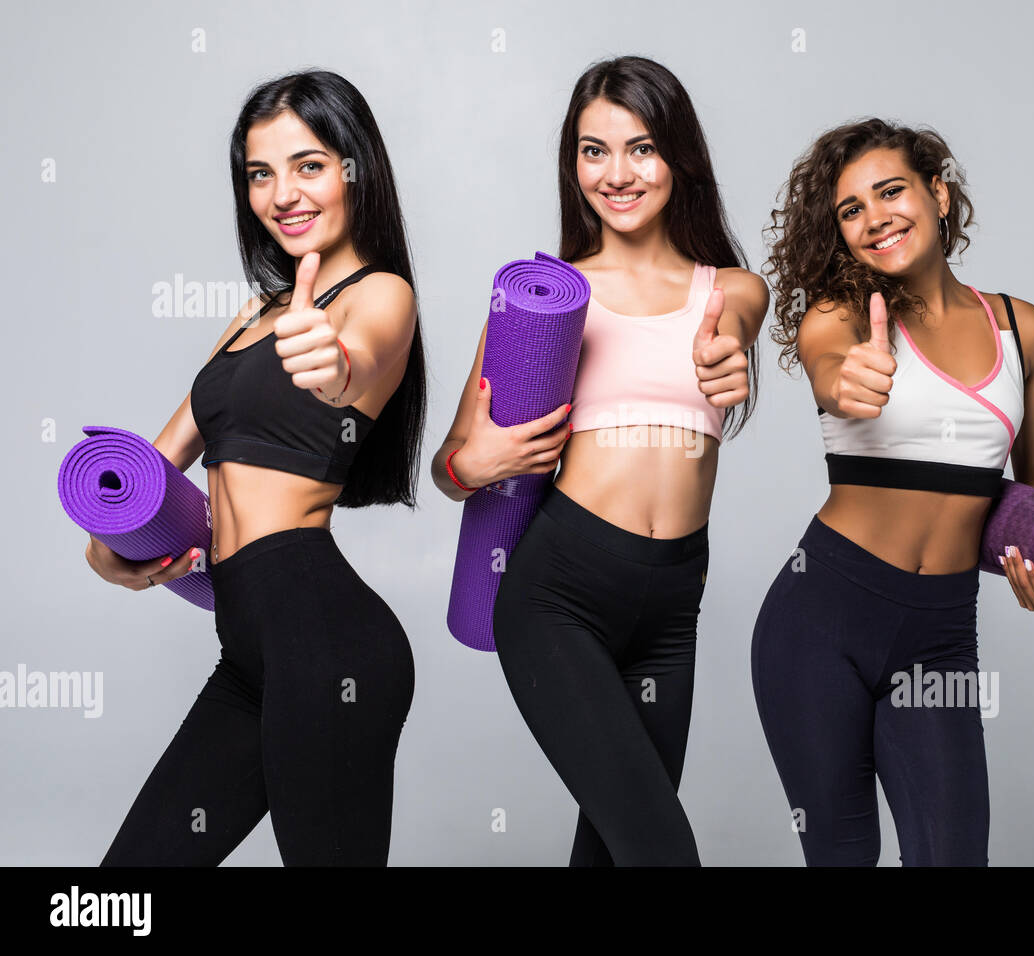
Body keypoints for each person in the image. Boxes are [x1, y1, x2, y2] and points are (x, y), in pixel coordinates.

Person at [431, 56, 768, 865]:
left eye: (641, 148)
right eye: (593, 151)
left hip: (672, 608)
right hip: (558, 594)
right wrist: (471, 464)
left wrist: (730, 358)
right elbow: (451, 464)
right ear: (572, 164)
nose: (616, 174)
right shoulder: (541, 300)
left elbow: (735, 335)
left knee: (613, 852)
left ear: (679, 157)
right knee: (660, 851)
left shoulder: (727, 291)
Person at [90, 71, 426, 866]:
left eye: (308, 165)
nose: (282, 194)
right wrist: (110, 545)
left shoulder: (381, 294)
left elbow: (357, 359)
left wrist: (331, 361)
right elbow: (153, 466)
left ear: (355, 169)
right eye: (259, 173)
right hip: (247, 653)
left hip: (328, 646)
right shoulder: (254, 314)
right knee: (121, 887)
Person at [751, 118, 1034, 867]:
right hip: (818, 621)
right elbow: (835, 373)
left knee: (952, 854)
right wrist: (851, 382)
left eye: (891, 191)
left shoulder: (1026, 331)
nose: (875, 218)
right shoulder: (840, 319)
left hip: (940, 637)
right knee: (843, 855)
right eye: (850, 209)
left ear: (938, 192)